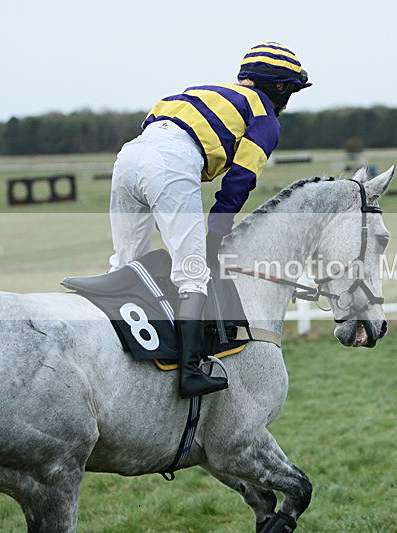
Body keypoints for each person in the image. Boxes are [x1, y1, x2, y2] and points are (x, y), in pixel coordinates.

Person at [107, 42, 310, 398]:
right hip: (173, 161)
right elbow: (241, 178)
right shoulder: (265, 116)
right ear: (280, 87)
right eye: (290, 91)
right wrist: (216, 233)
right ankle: (190, 373)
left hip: (128, 157)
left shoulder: (200, 91)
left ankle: (112, 353)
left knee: (126, 265)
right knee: (192, 272)